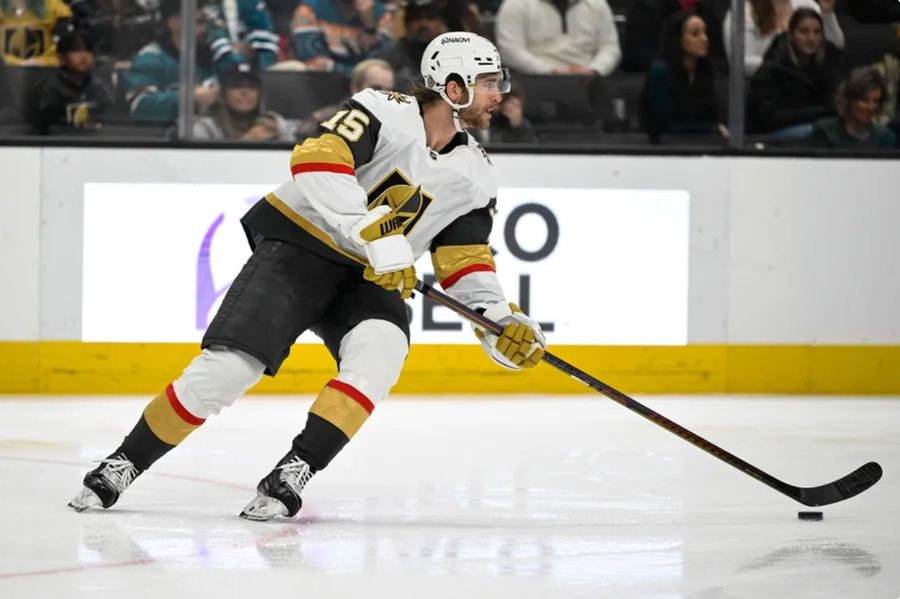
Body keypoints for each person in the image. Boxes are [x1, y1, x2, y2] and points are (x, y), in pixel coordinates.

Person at [68, 31, 547, 521]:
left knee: (382, 351)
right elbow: (315, 160)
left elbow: (464, 259)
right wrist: (376, 238)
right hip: (301, 247)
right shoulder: (382, 108)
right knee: (229, 370)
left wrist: (496, 318)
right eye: (489, 83)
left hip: (366, 278)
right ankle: (124, 461)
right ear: (453, 86)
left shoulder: (477, 174)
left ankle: (294, 469)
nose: (500, 95)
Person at [123, 0, 227, 124]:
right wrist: (191, 98)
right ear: (173, 23)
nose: (204, 29)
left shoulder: (218, 55)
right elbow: (140, 105)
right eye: (198, 22)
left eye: (207, 23)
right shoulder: (152, 57)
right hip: (169, 138)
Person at [747, 7, 843, 138]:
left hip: (818, 126)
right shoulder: (771, 69)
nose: (811, 38)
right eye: (804, 32)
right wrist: (821, 114)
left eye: (817, 32)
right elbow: (770, 117)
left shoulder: (829, 62)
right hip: (775, 133)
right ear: (790, 35)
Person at [640, 12, 724, 143]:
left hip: (700, 144)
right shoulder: (660, 73)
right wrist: (710, 128)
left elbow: (712, 115)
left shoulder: (706, 71)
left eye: (705, 32)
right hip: (665, 147)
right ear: (678, 38)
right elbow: (661, 123)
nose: (705, 39)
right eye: (695, 34)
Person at [495, 0, 621, 77]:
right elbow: (509, 50)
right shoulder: (516, 4)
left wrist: (595, 70)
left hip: (590, 79)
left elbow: (610, 47)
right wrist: (551, 71)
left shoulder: (597, 3)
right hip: (536, 79)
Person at [25, 31, 114, 134]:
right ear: (61, 58)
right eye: (76, 51)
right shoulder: (46, 90)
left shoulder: (101, 88)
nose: (84, 56)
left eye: (89, 51)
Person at [723, 0, 843, 75]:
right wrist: (786, 66)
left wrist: (827, 14)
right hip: (768, 88)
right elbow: (740, 63)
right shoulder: (743, 11)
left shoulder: (805, 4)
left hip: (809, 82)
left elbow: (837, 45)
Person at [192, 62, 297, 140]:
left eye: (251, 87)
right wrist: (247, 141)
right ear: (222, 95)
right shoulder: (206, 127)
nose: (245, 92)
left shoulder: (274, 122)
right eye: (236, 86)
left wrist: (280, 136)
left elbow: (298, 131)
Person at [295, 57, 394, 137]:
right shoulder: (328, 118)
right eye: (375, 88)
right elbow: (301, 134)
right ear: (355, 88)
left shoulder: (394, 124)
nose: (383, 95)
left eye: (388, 90)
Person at [290, 0, 394, 73]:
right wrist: (357, 76)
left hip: (368, 88)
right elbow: (313, 61)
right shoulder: (309, 9)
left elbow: (381, 63)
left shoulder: (380, 13)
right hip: (320, 84)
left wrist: (370, 27)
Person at [810, 66, 896, 149]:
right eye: (864, 100)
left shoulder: (885, 137)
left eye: (876, 101)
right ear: (849, 99)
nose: (871, 107)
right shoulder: (825, 131)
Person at [377, 0, 449, 91]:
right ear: (406, 24)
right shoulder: (390, 55)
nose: (423, 24)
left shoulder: (453, 51)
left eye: (430, 18)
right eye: (416, 19)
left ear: (441, 23)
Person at [0, 0, 74, 65]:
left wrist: (43, 62)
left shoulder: (54, 6)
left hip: (46, 69)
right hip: (5, 71)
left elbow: (65, 47)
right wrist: (14, 62)